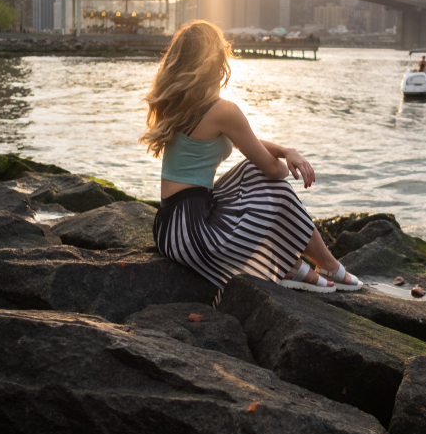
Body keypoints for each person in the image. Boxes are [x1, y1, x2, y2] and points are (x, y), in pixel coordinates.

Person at [141, 20, 362, 297]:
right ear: (216, 60)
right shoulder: (223, 111)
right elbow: (273, 171)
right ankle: (325, 264)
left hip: (168, 228)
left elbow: (240, 141)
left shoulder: (177, 104)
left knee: (249, 170)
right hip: (193, 232)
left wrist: (285, 150)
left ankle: (295, 266)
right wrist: (283, 161)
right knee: (274, 186)